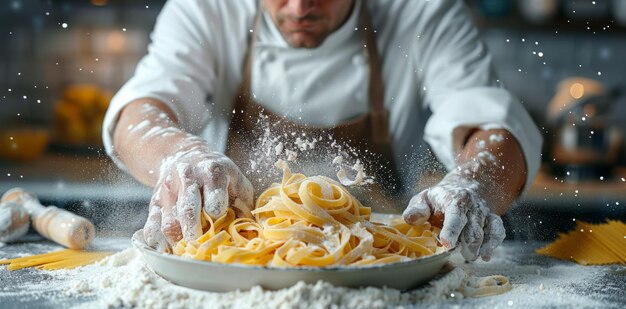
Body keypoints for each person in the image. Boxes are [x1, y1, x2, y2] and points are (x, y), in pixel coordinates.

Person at [103, 0, 542, 262]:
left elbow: (492, 122)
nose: (298, 7)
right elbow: (143, 109)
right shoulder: (208, 8)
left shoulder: (422, 12)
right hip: (231, 274)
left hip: (380, 267)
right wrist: (179, 158)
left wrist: (473, 184)